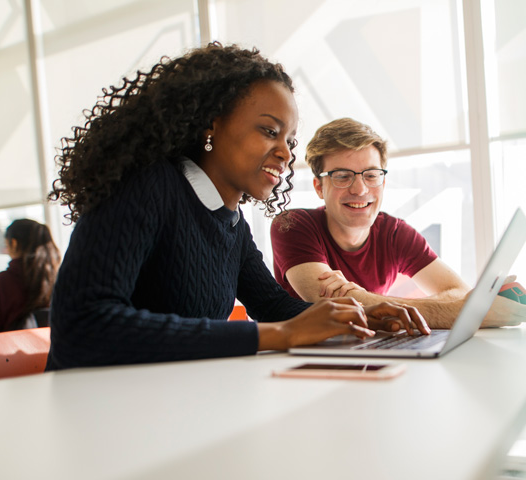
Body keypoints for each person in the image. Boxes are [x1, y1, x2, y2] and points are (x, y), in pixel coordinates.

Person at [45, 43, 429, 371]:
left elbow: (272, 303)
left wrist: (365, 313)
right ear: (210, 126)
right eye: (269, 131)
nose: (284, 152)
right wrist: (279, 335)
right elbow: (85, 324)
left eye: (290, 141)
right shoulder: (148, 186)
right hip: (98, 419)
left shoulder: (231, 223)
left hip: (169, 406)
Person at [270, 117, 526, 329]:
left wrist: (365, 299)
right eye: (342, 176)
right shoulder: (292, 225)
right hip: (300, 363)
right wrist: (471, 312)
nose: (360, 189)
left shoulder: (395, 233)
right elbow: (330, 303)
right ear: (319, 186)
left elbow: (456, 290)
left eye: (371, 175)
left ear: (383, 181)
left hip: (365, 352)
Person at [0, 219, 60, 333]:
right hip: (56, 349)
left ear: (13, 243)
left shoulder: (2, 282)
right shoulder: (59, 279)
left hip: (11, 349)